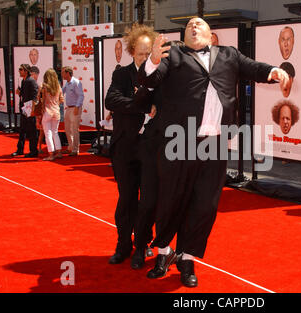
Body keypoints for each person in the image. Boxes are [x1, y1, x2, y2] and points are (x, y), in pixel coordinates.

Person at [138, 17, 290, 288]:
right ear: (184, 36)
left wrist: (273, 70)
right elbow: (150, 80)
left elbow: (253, 68)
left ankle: (186, 258)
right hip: (178, 141)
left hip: (216, 143)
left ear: (211, 34)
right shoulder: (173, 53)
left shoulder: (229, 55)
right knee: (171, 198)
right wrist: (151, 59)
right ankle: (163, 251)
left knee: (204, 205)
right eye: (188, 26)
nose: (193, 27)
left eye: (199, 24)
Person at [104, 23, 158, 270]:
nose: (145, 58)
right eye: (141, 53)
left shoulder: (160, 75)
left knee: (147, 202)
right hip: (125, 147)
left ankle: (142, 247)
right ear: (132, 50)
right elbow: (111, 100)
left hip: (150, 148)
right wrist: (143, 106)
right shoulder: (121, 74)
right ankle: (123, 245)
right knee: (126, 199)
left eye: (149, 53)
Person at [11, 64, 39, 158]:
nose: (19, 71)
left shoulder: (31, 81)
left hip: (29, 109)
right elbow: (25, 94)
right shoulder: (24, 81)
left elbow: (35, 96)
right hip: (24, 108)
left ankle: (33, 151)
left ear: (26, 71)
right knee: (22, 130)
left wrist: (32, 109)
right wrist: (20, 93)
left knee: (32, 131)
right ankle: (20, 150)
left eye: (21, 69)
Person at [40, 69, 64, 161]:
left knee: (48, 133)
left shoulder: (44, 87)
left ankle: (51, 154)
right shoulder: (58, 86)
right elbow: (62, 99)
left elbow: (42, 100)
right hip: (56, 112)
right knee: (55, 132)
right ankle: (59, 152)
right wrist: (56, 105)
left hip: (47, 111)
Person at [61, 66, 84, 156]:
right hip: (69, 108)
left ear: (67, 73)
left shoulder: (76, 82)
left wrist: (77, 107)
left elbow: (81, 95)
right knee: (67, 128)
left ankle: (75, 149)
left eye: (63, 72)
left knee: (74, 129)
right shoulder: (67, 83)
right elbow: (61, 92)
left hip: (75, 107)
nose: (62, 74)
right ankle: (70, 147)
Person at [30, 66, 44, 154]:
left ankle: (38, 147)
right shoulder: (33, 84)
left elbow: (39, 98)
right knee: (36, 130)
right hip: (35, 109)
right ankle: (36, 147)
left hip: (39, 109)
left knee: (41, 130)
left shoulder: (40, 85)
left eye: (31, 74)